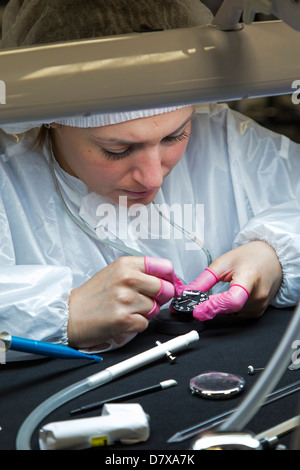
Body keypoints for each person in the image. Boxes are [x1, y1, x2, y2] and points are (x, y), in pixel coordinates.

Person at [0, 0, 300, 360]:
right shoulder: (9, 177)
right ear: (49, 120)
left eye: (175, 137)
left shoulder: (224, 140)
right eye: (118, 148)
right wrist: (63, 312)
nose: (153, 177)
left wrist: (276, 255)